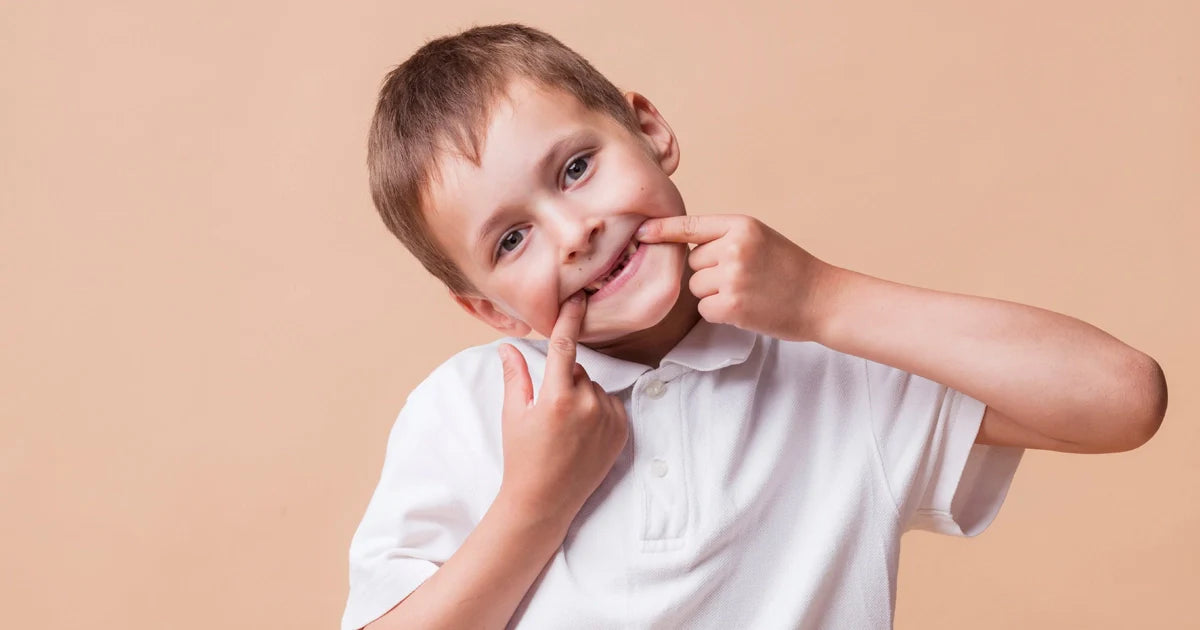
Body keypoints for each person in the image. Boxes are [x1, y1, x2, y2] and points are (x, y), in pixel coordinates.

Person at [341, 23, 1168, 630]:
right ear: (488, 308)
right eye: (512, 238)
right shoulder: (466, 411)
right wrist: (534, 501)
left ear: (651, 132)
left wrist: (822, 301)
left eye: (577, 168)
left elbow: (1123, 398)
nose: (575, 233)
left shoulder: (829, 364)